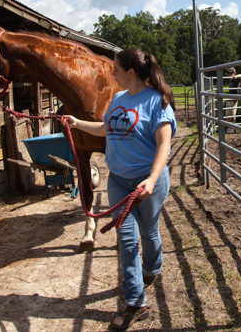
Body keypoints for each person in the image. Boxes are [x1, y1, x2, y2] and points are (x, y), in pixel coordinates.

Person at [65, 48, 176, 330]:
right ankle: (136, 303)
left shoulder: (157, 102)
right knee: (126, 240)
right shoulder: (117, 99)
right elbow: (106, 128)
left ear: (130, 72)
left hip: (146, 181)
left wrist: (151, 180)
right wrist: (77, 123)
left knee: (149, 232)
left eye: (115, 69)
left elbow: (164, 144)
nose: (111, 73)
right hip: (118, 180)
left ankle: (153, 267)